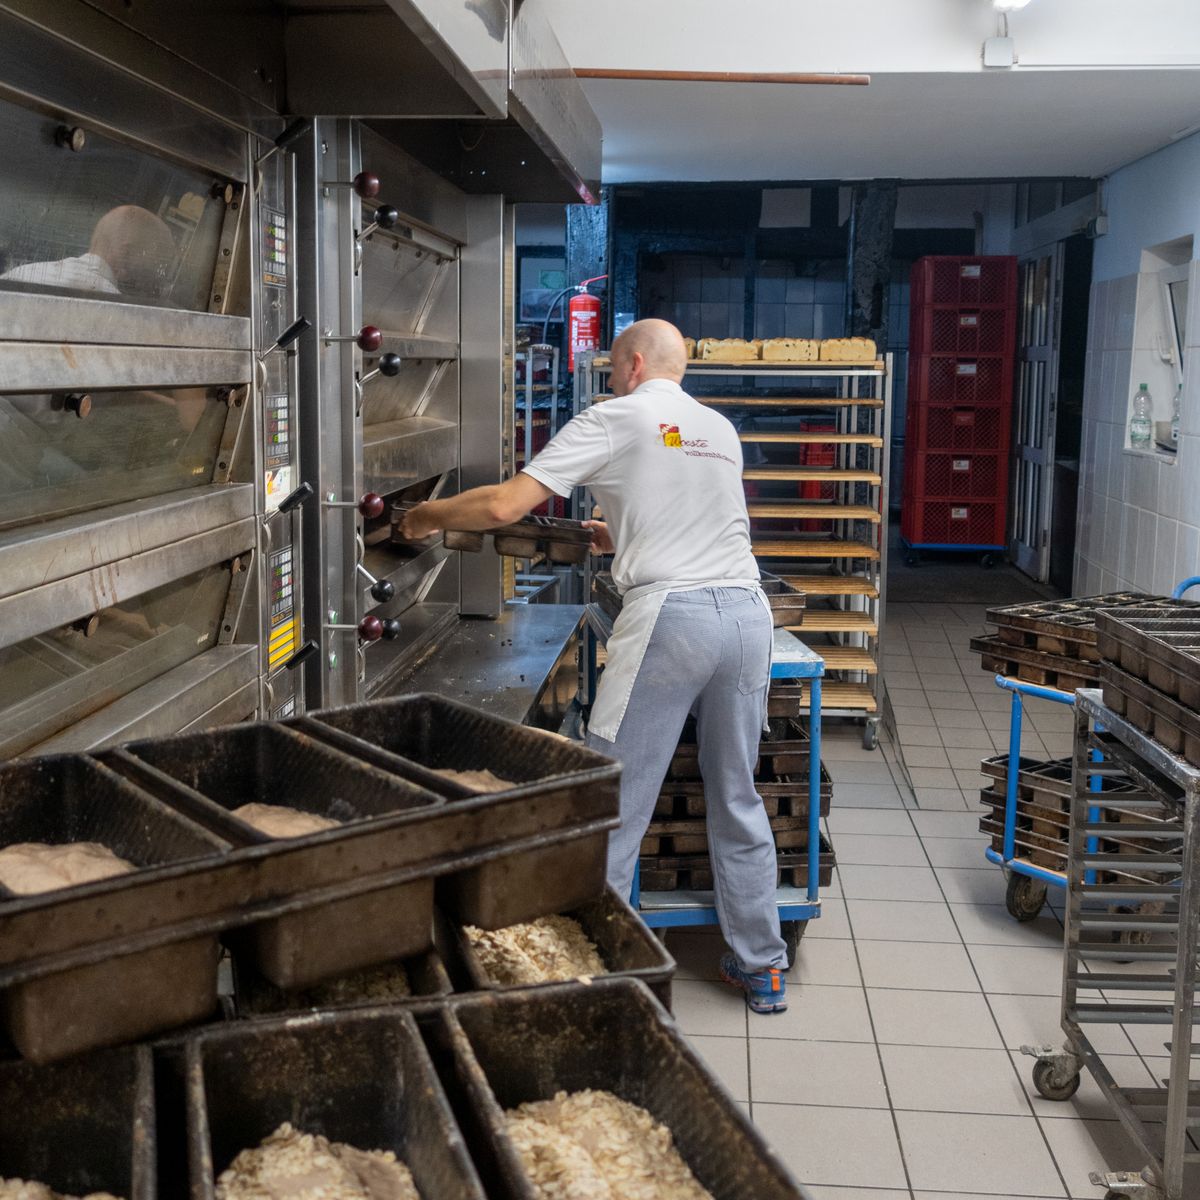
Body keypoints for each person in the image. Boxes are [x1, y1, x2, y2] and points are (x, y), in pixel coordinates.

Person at [400, 318, 788, 1013]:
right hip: (747, 618)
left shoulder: (615, 417)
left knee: (613, 799)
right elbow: (694, 510)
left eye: (612, 367)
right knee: (737, 795)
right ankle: (762, 966)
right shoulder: (716, 428)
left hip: (674, 621)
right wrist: (623, 531)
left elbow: (502, 504)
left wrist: (422, 518)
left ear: (634, 364)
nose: (609, 378)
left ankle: (591, 970)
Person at [0, 204, 175, 300]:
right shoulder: (114, 307)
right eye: (157, 265)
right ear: (125, 254)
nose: (157, 279)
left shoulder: (24, 272)